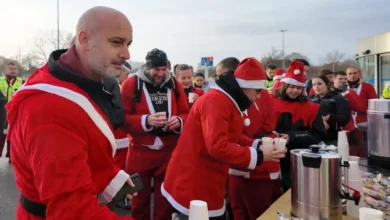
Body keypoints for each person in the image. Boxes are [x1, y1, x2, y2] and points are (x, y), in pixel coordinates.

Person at [6, 6, 137, 219]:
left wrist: (111, 177)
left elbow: (85, 146)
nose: (126, 54)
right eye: (116, 42)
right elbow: (71, 209)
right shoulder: (50, 106)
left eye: (128, 44)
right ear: (84, 39)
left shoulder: (77, 80)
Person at [162, 57, 286, 219]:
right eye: (257, 91)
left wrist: (258, 144)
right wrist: (260, 155)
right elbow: (218, 146)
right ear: (244, 87)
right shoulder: (217, 101)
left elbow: (231, 136)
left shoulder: (226, 100)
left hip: (205, 177)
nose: (258, 97)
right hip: (194, 180)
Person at [120, 48, 189, 220]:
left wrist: (179, 121)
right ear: (147, 67)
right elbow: (121, 118)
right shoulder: (131, 84)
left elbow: (186, 113)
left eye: (164, 69)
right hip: (139, 152)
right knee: (137, 198)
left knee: (164, 198)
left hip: (168, 152)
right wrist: (146, 121)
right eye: (156, 70)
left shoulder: (175, 84)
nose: (160, 74)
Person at [229, 86, 281, 219]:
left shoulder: (260, 96)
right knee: (239, 208)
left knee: (260, 211)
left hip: (260, 162)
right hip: (237, 160)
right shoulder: (232, 95)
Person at [273, 60, 326, 191]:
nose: (295, 91)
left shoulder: (312, 108)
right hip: (272, 157)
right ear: (284, 86)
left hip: (297, 160)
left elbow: (318, 135)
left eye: (298, 88)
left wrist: (293, 136)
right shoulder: (271, 103)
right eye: (291, 87)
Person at [310, 74, 350, 145]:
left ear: (327, 84)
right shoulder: (311, 99)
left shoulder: (338, 98)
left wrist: (330, 117)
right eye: (314, 84)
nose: (316, 86)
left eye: (319, 84)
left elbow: (345, 118)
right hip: (314, 137)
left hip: (332, 138)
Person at [0, 62, 23, 162]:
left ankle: (12, 156)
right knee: (1, 134)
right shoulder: (0, 81)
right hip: (2, 112)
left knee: (14, 135)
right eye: (11, 69)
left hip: (15, 113)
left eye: (14, 69)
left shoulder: (22, 82)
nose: (13, 70)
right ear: (6, 70)